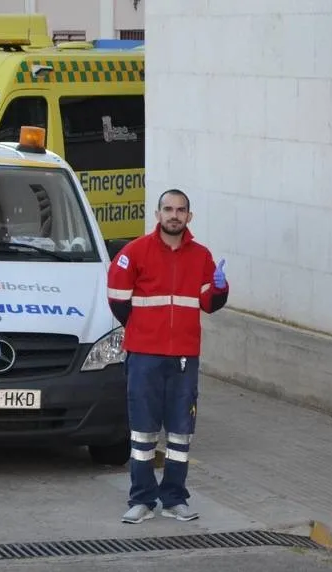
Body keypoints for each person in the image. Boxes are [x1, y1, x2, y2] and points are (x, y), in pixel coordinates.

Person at [106, 188, 229, 524]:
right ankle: (141, 499)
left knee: (179, 433)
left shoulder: (201, 256)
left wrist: (220, 287)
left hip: (184, 358)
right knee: (143, 432)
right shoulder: (135, 252)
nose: (174, 215)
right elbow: (118, 300)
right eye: (168, 209)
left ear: (189, 216)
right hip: (145, 356)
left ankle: (175, 498)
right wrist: (145, 331)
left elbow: (209, 303)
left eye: (181, 210)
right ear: (157, 214)